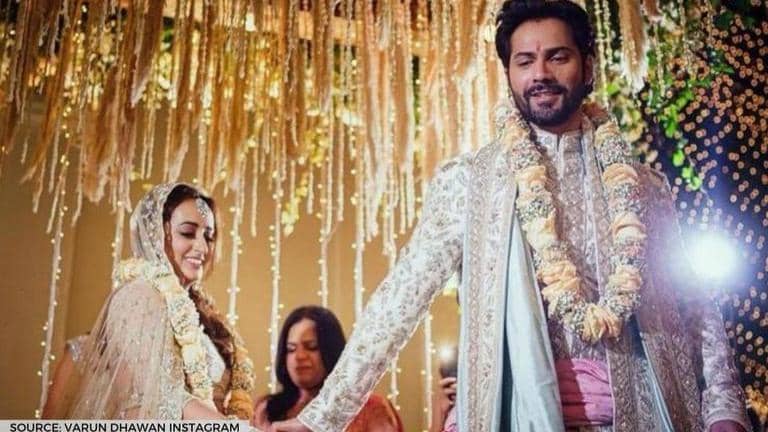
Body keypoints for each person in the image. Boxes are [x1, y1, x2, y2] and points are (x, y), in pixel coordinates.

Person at [272, 1, 750, 431]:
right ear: (508, 74)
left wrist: (724, 410)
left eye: (557, 57)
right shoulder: (469, 184)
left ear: (588, 66)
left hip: (642, 414)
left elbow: (695, 305)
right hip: (513, 414)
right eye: (524, 61)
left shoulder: (643, 188)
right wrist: (321, 418)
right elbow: (398, 302)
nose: (539, 73)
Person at [62, 183, 255, 419]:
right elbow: (162, 398)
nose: (202, 247)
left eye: (209, 236)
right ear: (157, 234)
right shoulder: (139, 296)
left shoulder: (203, 316)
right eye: (187, 233)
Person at [252, 306, 401, 432]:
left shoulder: (369, 407)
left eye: (311, 347)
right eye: (291, 349)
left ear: (331, 351)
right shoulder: (265, 409)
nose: (299, 356)